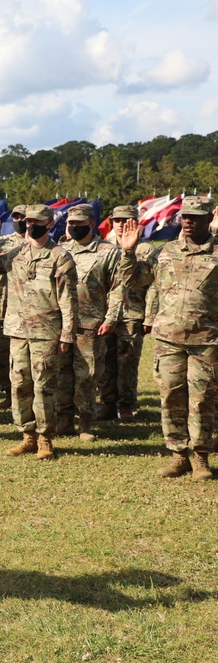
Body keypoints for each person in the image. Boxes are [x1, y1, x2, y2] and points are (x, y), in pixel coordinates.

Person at [117, 196, 218, 479]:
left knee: (202, 401)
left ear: (209, 218)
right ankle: (178, 455)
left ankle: (200, 458)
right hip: (168, 340)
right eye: (185, 216)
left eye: (196, 216)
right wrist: (128, 252)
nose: (188, 221)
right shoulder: (165, 252)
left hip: (207, 341)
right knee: (171, 398)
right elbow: (134, 280)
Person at [0, 205, 79, 460]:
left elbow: (68, 299)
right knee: (20, 385)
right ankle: (27, 436)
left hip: (46, 331)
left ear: (49, 224)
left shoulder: (60, 256)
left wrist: (67, 334)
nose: (30, 225)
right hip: (18, 331)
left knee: (44, 386)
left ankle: (45, 439)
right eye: (27, 220)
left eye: (36, 221)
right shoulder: (16, 253)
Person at [55, 204, 123, 441]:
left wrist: (111, 318)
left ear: (92, 224)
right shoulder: (60, 249)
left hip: (91, 325)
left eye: (80, 223)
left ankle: (85, 424)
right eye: (71, 223)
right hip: (62, 324)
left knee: (86, 376)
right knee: (62, 375)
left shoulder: (108, 251)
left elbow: (117, 287)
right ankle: (63, 421)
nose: (75, 227)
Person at [98, 205, 157, 422]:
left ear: (136, 223)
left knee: (127, 364)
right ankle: (107, 404)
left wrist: (149, 316)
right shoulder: (104, 248)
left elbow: (154, 287)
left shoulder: (146, 250)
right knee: (105, 363)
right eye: (118, 220)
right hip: (105, 315)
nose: (122, 224)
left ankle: (126, 405)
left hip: (132, 313)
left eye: (127, 220)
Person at [0, 204, 29, 409]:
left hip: (30, 309)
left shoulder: (41, 244)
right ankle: (8, 392)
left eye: (24, 217)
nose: (19, 221)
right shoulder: (2, 243)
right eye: (16, 217)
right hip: (3, 307)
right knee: (3, 355)